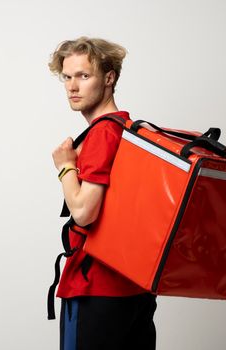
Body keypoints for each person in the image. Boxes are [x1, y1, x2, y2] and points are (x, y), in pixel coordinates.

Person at [48, 37, 157, 350]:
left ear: (109, 78)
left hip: (96, 287)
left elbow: (83, 212)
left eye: (84, 76)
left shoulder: (103, 133)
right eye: (67, 77)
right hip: (134, 287)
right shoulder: (129, 129)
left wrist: (65, 166)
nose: (72, 86)